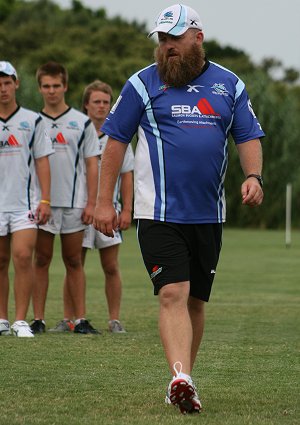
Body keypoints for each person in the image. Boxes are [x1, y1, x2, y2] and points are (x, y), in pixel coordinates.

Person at [93, 4, 265, 415]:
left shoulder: (230, 84)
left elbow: (247, 135)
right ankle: (180, 378)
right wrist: (104, 201)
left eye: (174, 39)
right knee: (173, 293)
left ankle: (183, 377)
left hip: (209, 215)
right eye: (162, 40)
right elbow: (115, 141)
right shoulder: (141, 84)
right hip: (158, 214)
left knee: (196, 303)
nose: (167, 47)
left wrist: (254, 176)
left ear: (197, 38)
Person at [52, 80, 134, 333]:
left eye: (105, 102)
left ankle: (114, 320)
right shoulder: (77, 133)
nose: (101, 107)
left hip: (111, 211)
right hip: (82, 211)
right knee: (74, 262)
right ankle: (71, 318)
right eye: (96, 102)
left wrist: (128, 210)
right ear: (86, 105)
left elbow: (127, 174)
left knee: (111, 266)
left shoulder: (118, 136)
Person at [30, 62, 100, 335]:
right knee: (42, 260)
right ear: (40, 88)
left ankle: (79, 320)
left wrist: (92, 203)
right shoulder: (34, 121)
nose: (51, 91)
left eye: (56, 85)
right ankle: (38, 319)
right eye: (46, 86)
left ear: (65, 86)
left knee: (74, 261)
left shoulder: (82, 122)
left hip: (75, 203)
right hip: (43, 204)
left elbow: (92, 164)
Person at [0, 61, 53, 338]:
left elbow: (43, 162)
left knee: (23, 257)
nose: (3, 88)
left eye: (7, 82)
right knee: (0, 260)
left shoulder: (33, 120)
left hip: (25, 205)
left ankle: (21, 320)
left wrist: (45, 201)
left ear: (16, 84)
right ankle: (2, 319)